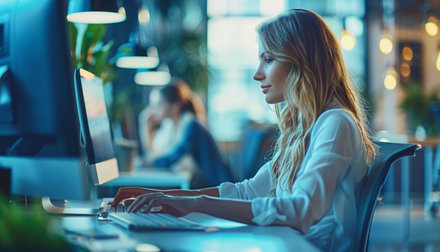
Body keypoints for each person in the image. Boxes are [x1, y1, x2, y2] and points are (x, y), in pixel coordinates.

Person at [113, 9, 376, 251]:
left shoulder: (336, 123)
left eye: (269, 59)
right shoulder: (303, 127)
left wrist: (195, 204)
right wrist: (167, 197)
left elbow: (300, 211)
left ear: (302, 63)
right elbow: (246, 191)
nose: (257, 74)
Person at [138, 79, 231, 188]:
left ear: (175, 106)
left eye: (161, 104)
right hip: (211, 186)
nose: (156, 109)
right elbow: (161, 151)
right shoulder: (176, 124)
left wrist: (151, 163)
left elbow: (175, 155)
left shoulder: (192, 125)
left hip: (219, 187)